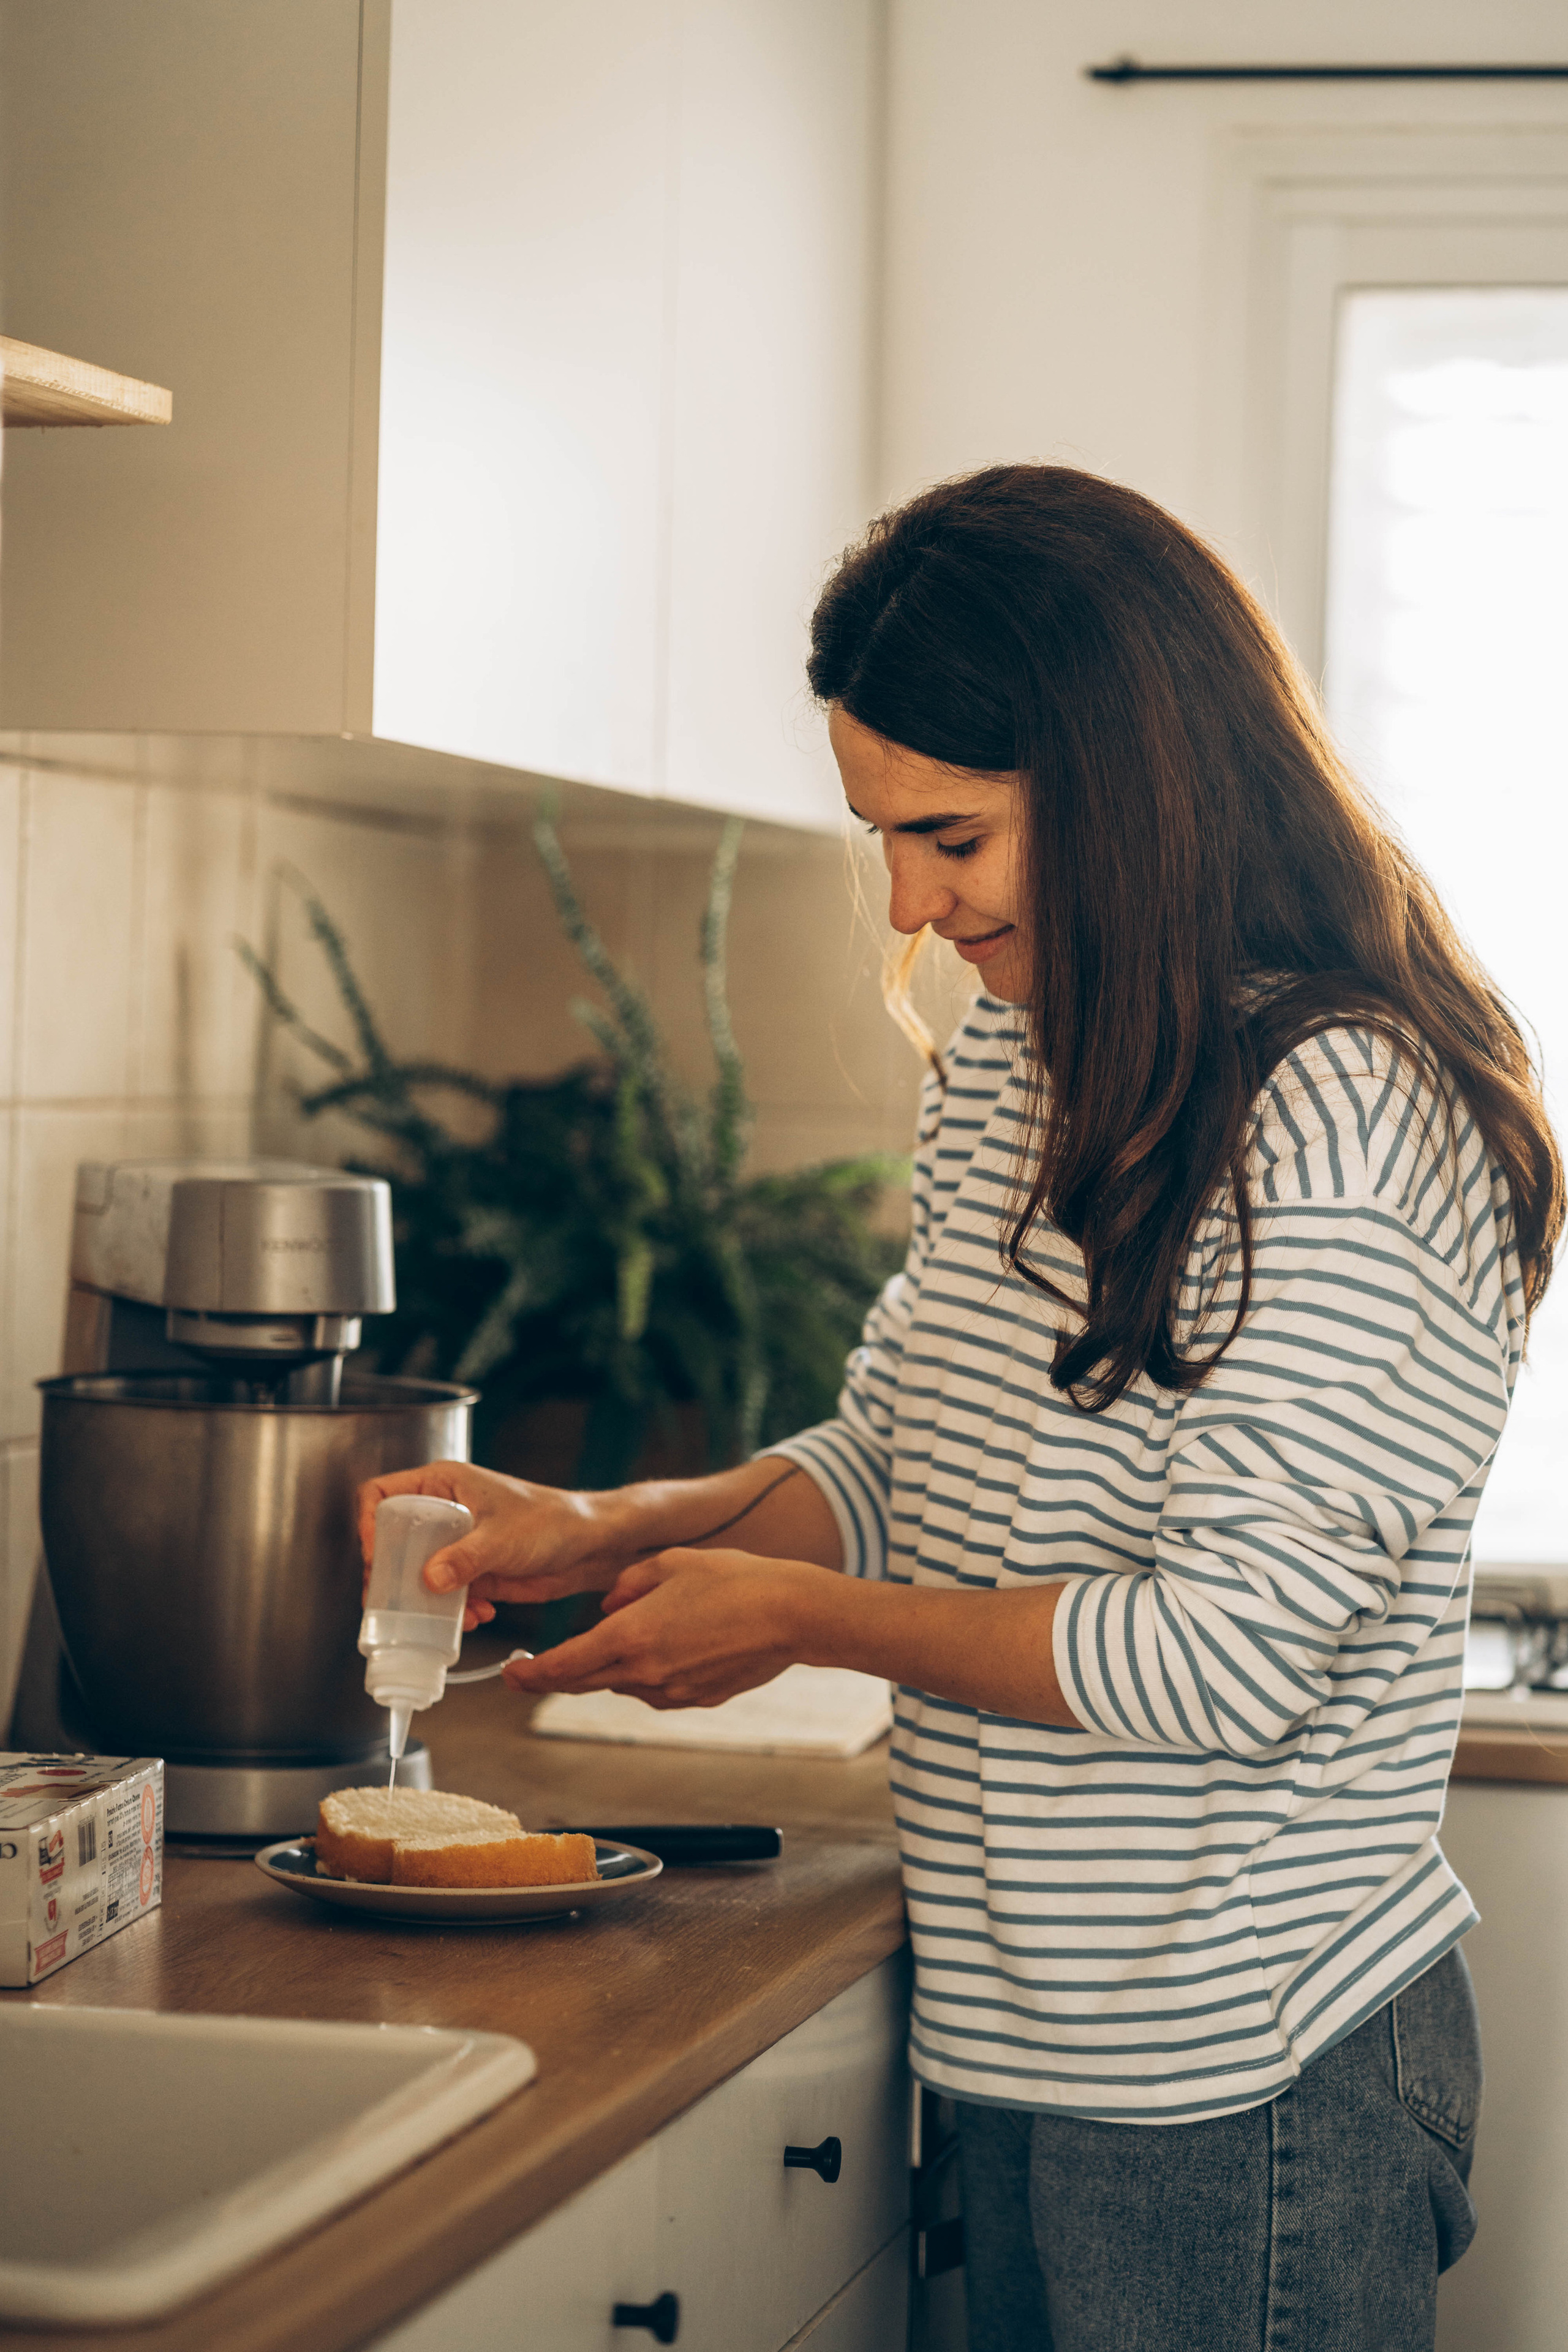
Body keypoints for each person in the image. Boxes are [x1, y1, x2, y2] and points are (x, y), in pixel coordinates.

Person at [358, 465, 1562, 2352]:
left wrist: (807, 1622)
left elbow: (1227, 1655)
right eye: (885, 840)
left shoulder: (1345, 1113)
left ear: (1136, 784)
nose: (910, 908)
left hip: (1246, 2075)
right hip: (1027, 2030)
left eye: (953, 837)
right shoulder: (1021, 1052)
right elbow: (904, 1450)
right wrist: (621, 1528)